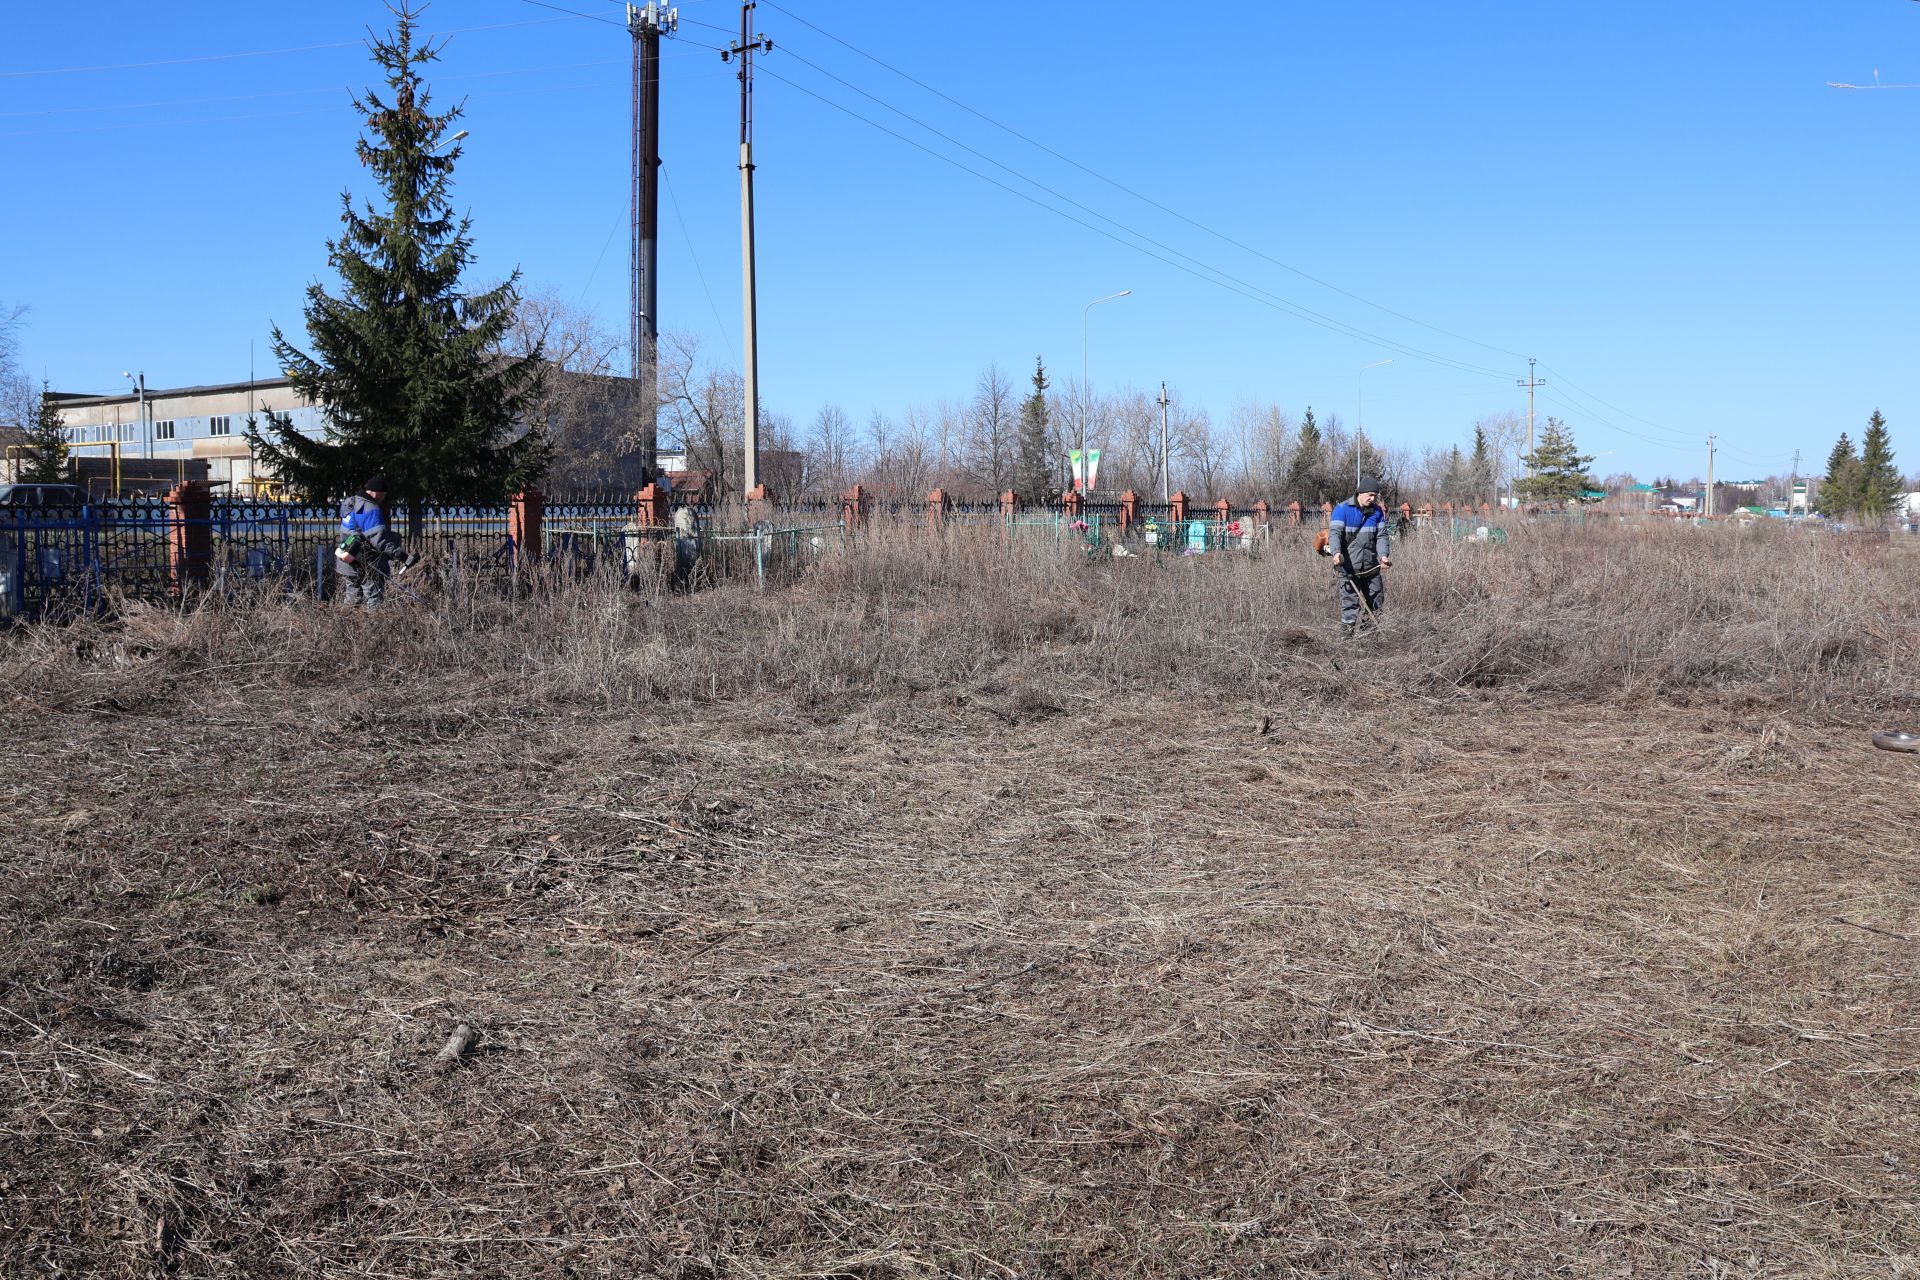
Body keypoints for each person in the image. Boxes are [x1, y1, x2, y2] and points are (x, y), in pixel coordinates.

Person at [335, 473, 410, 608]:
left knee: (352, 600)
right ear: (378, 493)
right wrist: (402, 556)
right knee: (374, 601)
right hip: (368, 563)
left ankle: (345, 626)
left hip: (347, 559)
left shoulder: (351, 503)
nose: (384, 498)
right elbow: (380, 541)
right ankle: (374, 628)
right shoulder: (371, 510)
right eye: (384, 494)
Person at [1329, 475, 1391, 638]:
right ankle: (1346, 639)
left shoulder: (1377, 511)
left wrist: (1384, 555)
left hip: (1371, 567)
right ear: (1360, 493)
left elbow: (1382, 536)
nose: (1373, 499)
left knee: (1376, 602)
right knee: (1350, 605)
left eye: (1375, 496)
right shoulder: (1342, 509)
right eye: (1370, 495)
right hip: (1348, 568)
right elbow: (1334, 534)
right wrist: (1336, 553)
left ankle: (1368, 636)